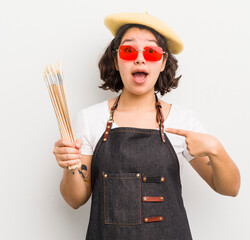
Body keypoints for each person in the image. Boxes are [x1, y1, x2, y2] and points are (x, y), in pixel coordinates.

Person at [52, 12, 240, 239]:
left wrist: (216, 150)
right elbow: (75, 200)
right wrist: (69, 165)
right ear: (116, 60)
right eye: (129, 50)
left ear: (162, 63)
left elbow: (230, 188)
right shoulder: (91, 119)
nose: (140, 58)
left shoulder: (181, 121)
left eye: (151, 52)